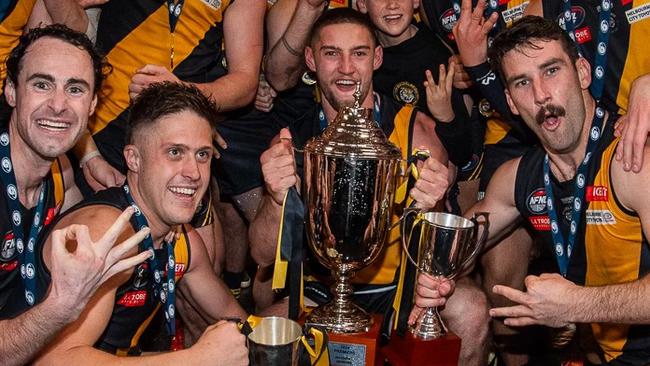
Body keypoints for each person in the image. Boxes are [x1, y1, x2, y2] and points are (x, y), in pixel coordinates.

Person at [250, 8, 491, 366]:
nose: (347, 68)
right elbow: (262, 256)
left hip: (398, 288)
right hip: (322, 289)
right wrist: (274, 197)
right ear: (311, 60)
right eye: (332, 53)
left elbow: (446, 257)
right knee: (264, 329)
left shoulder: (416, 132)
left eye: (359, 53)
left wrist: (434, 206)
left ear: (377, 58)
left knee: (470, 309)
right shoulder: (292, 142)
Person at [418, 16, 650, 365]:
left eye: (551, 71)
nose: (541, 94)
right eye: (522, 82)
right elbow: (452, 252)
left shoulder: (632, 162)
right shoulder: (519, 178)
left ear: (583, 73)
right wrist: (427, 205)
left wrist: (576, 305)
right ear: (510, 101)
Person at [34, 82, 248, 364]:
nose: (193, 172)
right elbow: (52, 362)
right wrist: (196, 359)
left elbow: (240, 323)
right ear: (133, 159)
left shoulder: (181, 239)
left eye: (202, 155)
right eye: (174, 153)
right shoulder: (107, 235)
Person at [0, 24, 151, 365]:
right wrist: (61, 306)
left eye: (75, 89)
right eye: (42, 84)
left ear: (94, 103)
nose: (58, 105)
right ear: (11, 91)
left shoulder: (60, 175)